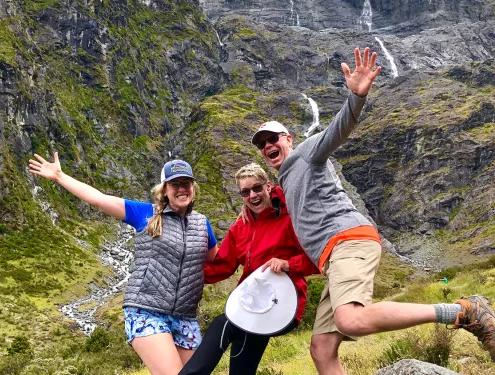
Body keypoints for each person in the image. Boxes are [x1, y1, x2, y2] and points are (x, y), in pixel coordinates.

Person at [250, 47, 495, 374]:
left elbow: (338, 130)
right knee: (322, 349)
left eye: (272, 139)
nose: (267, 146)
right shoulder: (286, 180)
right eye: (262, 144)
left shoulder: (306, 154)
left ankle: (464, 311)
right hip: (333, 258)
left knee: (351, 320)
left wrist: (356, 97)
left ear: (289, 139)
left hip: (348, 240)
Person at [28, 153, 218, 375]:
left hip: (185, 315)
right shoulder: (145, 213)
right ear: (165, 189)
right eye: (175, 184)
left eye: (186, 183)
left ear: (193, 187)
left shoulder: (202, 224)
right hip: (147, 311)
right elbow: (98, 199)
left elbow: (220, 259)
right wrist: (60, 176)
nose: (181, 188)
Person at [179, 163, 318, 375]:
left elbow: (317, 258)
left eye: (257, 188)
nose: (252, 195)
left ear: (268, 186)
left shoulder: (290, 215)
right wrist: (181, 274)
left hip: (284, 303)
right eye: (246, 192)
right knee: (242, 365)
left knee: (222, 324)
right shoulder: (241, 227)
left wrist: (288, 264)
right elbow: (222, 265)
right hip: (253, 302)